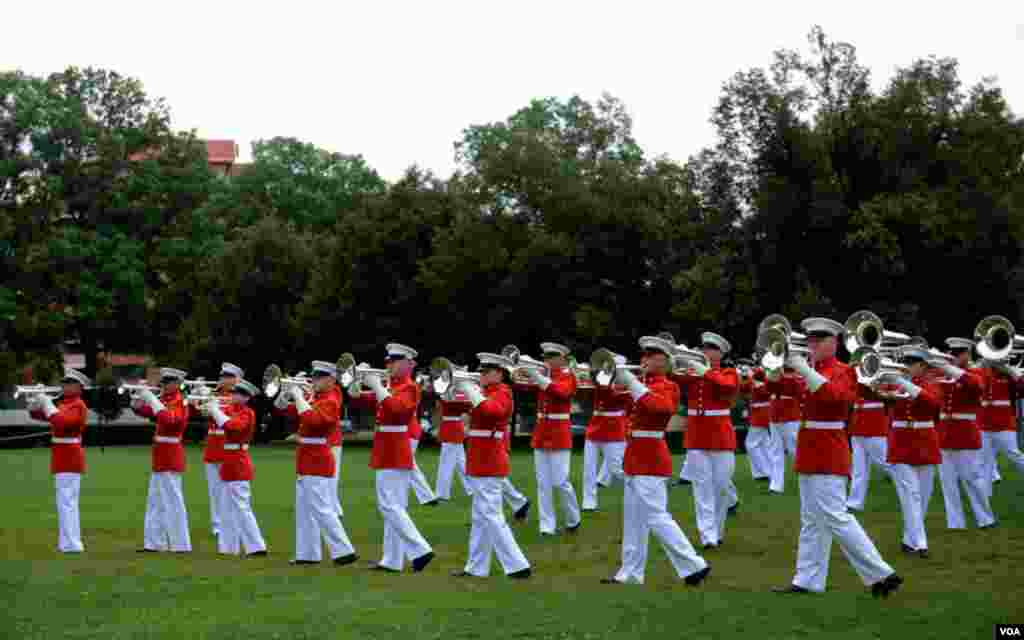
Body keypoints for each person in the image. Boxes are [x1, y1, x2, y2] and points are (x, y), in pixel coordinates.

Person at [767, 318, 902, 597]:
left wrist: (803, 368)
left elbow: (836, 398)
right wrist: (774, 370)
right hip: (810, 450)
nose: (813, 344)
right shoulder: (810, 371)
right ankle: (808, 580)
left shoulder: (844, 371)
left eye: (820, 340)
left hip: (829, 449)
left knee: (836, 516)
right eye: (811, 340)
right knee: (811, 520)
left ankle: (882, 573)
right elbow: (776, 389)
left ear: (834, 342)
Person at [601, 335, 710, 586]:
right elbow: (610, 399)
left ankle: (694, 564)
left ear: (665, 360)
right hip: (635, 456)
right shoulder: (640, 382)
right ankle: (630, 573)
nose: (645, 359)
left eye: (652, 355)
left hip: (651, 456)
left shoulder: (667, 385)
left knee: (656, 516)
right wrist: (613, 377)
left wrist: (630, 381)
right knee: (633, 519)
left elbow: (659, 408)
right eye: (644, 355)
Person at [348, 343, 435, 573]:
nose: (390, 366)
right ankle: (392, 560)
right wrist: (359, 378)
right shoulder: (390, 386)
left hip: (395, 446)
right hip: (387, 446)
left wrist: (376, 384)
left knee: (388, 504)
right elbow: (355, 395)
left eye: (395, 362)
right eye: (388, 362)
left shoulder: (409, 387)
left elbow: (396, 409)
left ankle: (420, 549)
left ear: (409, 364)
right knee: (395, 505)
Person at [450, 352, 531, 579]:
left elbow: (493, 411)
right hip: (478, 456)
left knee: (491, 514)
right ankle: (476, 567)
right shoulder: (485, 392)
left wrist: (470, 389)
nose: (482, 375)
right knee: (480, 516)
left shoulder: (503, 392)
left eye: (486, 371)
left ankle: (517, 565)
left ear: (499, 373)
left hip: (490, 459)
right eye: (482, 371)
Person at [277, 361, 357, 566]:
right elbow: (284, 409)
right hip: (306, 456)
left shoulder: (331, 400)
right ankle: (307, 553)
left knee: (322, 508)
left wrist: (297, 395)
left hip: (317, 457)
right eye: (314, 377)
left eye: (319, 378)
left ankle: (344, 550)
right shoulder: (317, 397)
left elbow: (313, 419)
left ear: (331, 380)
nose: (314, 381)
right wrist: (286, 395)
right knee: (304, 509)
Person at [672, 332, 739, 549]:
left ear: (721, 353)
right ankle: (707, 535)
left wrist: (706, 371)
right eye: (704, 348)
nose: (706, 352)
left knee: (720, 486)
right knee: (701, 487)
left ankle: (717, 530)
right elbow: (672, 376)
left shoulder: (729, 372)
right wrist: (673, 358)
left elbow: (727, 387)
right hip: (696, 436)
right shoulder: (691, 373)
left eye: (711, 348)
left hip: (721, 436)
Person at [514, 342, 582, 535]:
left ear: (562, 358)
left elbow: (562, 392)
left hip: (559, 432)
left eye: (552, 357)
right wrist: (520, 369)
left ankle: (573, 519)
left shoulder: (568, 376)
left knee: (561, 481)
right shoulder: (544, 376)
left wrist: (536, 375)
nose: (547, 361)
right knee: (542, 482)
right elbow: (519, 384)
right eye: (545, 357)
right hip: (542, 432)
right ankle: (547, 526)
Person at [933, 339, 995, 530]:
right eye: (953, 353)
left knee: (973, 478)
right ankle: (955, 522)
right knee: (947, 482)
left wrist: (946, 367)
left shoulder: (975, 373)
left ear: (968, 354)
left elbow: (975, 385)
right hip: (945, 433)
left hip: (966, 433)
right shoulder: (943, 374)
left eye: (959, 353)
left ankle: (985, 518)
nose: (955, 356)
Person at [27, 368, 90, 553]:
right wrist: (33, 401)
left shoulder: (78, 405)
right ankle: (66, 543)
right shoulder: (64, 403)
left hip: (70, 456)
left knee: (67, 502)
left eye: (69, 383)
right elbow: (37, 415)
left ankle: (72, 544)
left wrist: (46, 402)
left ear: (79, 387)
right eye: (64, 382)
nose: (64, 386)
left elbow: (62, 423)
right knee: (64, 502)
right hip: (62, 456)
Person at [132, 368, 192, 554]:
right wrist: (137, 398)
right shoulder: (165, 400)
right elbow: (142, 411)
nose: (164, 386)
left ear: (176, 383)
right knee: (155, 501)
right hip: (160, 454)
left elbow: (170, 420)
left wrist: (150, 398)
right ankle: (154, 543)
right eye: (163, 382)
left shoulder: (180, 401)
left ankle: (180, 544)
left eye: (167, 383)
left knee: (173, 501)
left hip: (171, 453)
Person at [206, 379, 268, 556]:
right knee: (225, 508)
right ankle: (228, 547)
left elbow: (232, 426)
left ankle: (257, 546)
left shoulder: (247, 413)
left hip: (239, 461)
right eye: (232, 393)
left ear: (246, 398)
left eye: (237, 394)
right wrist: (207, 400)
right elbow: (213, 417)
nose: (232, 396)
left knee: (242, 506)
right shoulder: (231, 410)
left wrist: (215, 410)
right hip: (228, 462)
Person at [200, 362, 243, 539]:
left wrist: (212, 401)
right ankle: (217, 525)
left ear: (236, 379)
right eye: (222, 377)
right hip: (213, 447)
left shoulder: (239, 398)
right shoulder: (214, 395)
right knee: (215, 491)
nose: (223, 380)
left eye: (227, 377)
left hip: (228, 446)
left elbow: (230, 418)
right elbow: (203, 413)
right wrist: (204, 397)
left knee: (233, 490)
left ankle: (234, 522)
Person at [581, 357, 630, 511]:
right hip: (595, 428)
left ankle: (641, 487)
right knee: (589, 469)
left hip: (613, 431)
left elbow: (612, 392)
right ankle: (589, 502)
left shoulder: (625, 382)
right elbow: (589, 387)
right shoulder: (601, 378)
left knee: (616, 470)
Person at [846, 378, 894, 512]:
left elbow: (892, 397)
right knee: (858, 469)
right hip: (857, 426)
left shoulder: (883, 376)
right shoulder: (857, 377)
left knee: (887, 463)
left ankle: (910, 487)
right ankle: (855, 502)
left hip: (875, 426)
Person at [434, 390, 474, 502]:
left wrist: (467, 425)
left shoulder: (452, 394)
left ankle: (442, 493)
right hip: (454, 427)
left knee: (446, 464)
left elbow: (439, 410)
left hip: (451, 428)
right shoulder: (460, 394)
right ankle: (473, 488)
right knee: (461, 462)